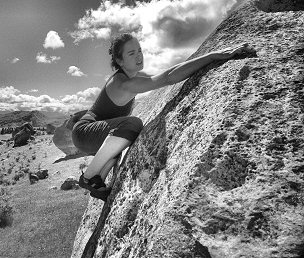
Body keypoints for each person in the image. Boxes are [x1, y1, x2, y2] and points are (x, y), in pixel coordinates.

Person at [72, 33, 249, 201]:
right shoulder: (123, 83)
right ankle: (88, 178)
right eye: (131, 53)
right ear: (119, 60)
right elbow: (169, 78)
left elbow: (167, 73)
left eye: (139, 50)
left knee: (121, 140)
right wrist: (211, 56)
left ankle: (98, 183)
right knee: (132, 125)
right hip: (84, 132)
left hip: (94, 134)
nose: (139, 56)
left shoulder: (133, 76)